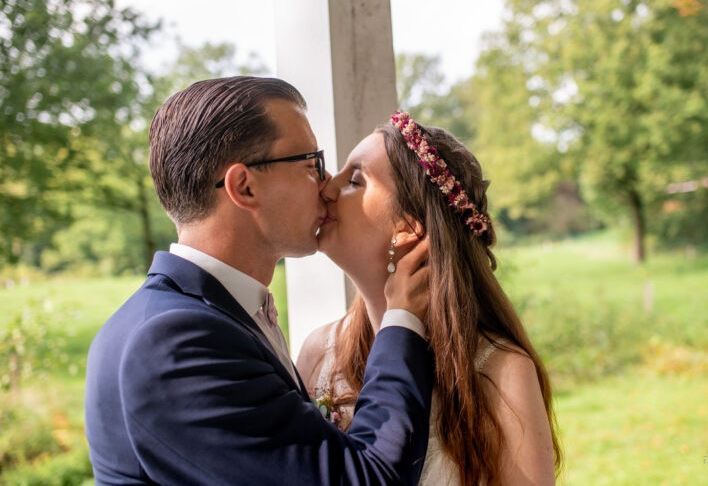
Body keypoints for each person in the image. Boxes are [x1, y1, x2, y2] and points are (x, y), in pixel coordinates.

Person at [84, 77, 435, 486]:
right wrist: (403, 318)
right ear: (244, 187)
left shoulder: (208, 314)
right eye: (311, 164)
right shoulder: (174, 343)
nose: (326, 187)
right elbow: (368, 479)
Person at [297, 111, 563, 486]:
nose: (325, 186)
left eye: (354, 180)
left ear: (408, 229)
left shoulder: (501, 373)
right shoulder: (319, 353)